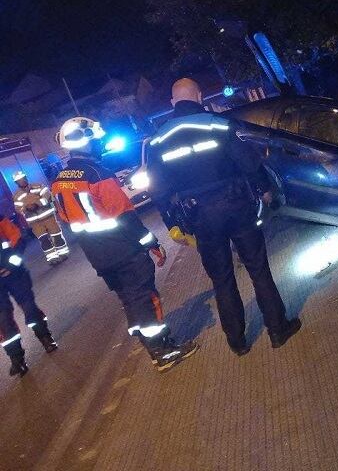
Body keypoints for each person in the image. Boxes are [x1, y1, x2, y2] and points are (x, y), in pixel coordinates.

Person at [146, 78, 300, 356]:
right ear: (199, 96)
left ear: (172, 102)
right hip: (237, 205)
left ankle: (237, 342)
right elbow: (249, 163)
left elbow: (158, 190)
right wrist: (265, 190)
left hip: (199, 216)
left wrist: (173, 225)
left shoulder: (157, 140)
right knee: (258, 268)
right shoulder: (218, 124)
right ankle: (278, 330)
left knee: (222, 279)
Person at [51, 116, 198, 372]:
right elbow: (125, 216)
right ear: (85, 142)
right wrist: (151, 242)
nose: (99, 144)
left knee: (130, 301)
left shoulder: (58, 181)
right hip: (124, 250)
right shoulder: (98, 174)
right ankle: (162, 352)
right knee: (145, 299)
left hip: (98, 256)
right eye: (96, 140)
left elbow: (65, 219)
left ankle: (151, 346)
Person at [0, 215, 57, 377]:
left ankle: (45, 338)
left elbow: (18, 240)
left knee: (29, 307)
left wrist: (10, 265)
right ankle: (16, 359)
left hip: (15, 274)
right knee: (3, 320)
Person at [12, 170, 69, 265]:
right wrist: (26, 208)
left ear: (26, 178)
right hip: (34, 222)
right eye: (19, 180)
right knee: (44, 240)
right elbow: (18, 208)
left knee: (56, 235)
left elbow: (47, 196)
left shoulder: (38, 186)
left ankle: (63, 253)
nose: (22, 181)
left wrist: (37, 204)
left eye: (23, 178)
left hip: (48, 217)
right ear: (16, 183)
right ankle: (52, 258)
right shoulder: (17, 195)